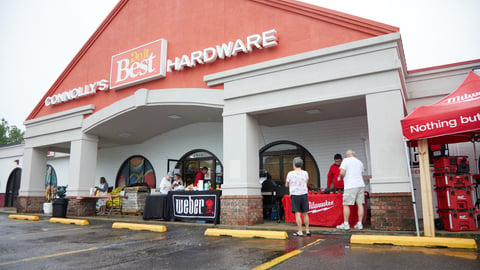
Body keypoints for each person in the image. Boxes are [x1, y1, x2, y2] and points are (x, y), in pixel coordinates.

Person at [336, 149, 365, 230]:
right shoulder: (359, 162)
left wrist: (340, 177)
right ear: (353, 154)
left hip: (350, 185)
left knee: (346, 204)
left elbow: (342, 172)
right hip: (360, 184)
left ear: (347, 155)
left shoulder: (346, 161)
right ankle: (359, 223)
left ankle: (346, 224)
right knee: (360, 204)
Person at [285, 157, 310, 237]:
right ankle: (307, 230)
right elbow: (306, 181)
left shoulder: (290, 173)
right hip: (304, 194)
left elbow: (286, 184)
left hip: (295, 194)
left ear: (294, 164)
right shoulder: (305, 173)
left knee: (297, 213)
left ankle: (300, 231)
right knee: (305, 213)